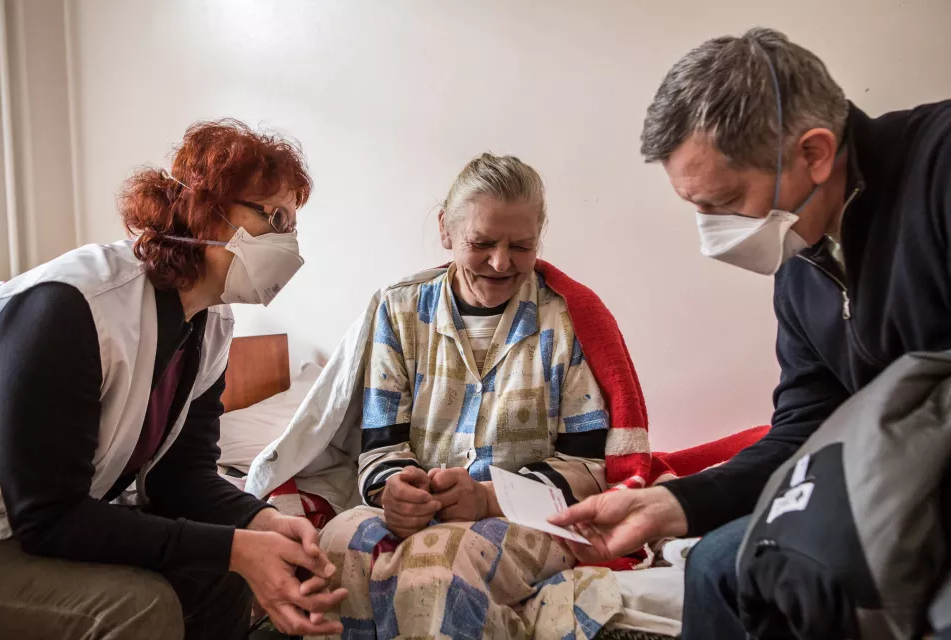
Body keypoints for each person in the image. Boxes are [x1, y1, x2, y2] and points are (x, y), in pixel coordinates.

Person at [549, 27, 951, 639]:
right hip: (894, 488)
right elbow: (805, 429)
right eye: (697, 208)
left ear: (814, 153)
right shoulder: (801, 263)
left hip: (926, 490)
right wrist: (674, 504)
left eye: (726, 200)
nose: (712, 232)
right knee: (718, 565)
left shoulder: (939, 169)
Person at [0, 119, 347, 639]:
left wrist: (260, 521)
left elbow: (180, 477)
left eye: (292, 225)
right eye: (274, 217)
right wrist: (233, 547)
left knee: (220, 578)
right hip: (7, 528)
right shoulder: (74, 306)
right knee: (139, 607)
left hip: (44, 520)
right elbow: (46, 516)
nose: (288, 242)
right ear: (205, 209)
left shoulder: (212, 322)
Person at [316, 153, 627, 638]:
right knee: (339, 545)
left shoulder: (569, 320)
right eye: (481, 243)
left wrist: (485, 499)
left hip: (532, 521)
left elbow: (588, 470)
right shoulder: (399, 311)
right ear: (446, 229)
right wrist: (395, 491)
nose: (501, 262)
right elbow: (381, 446)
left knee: (436, 566)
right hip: (420, 514)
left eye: (521, 246)